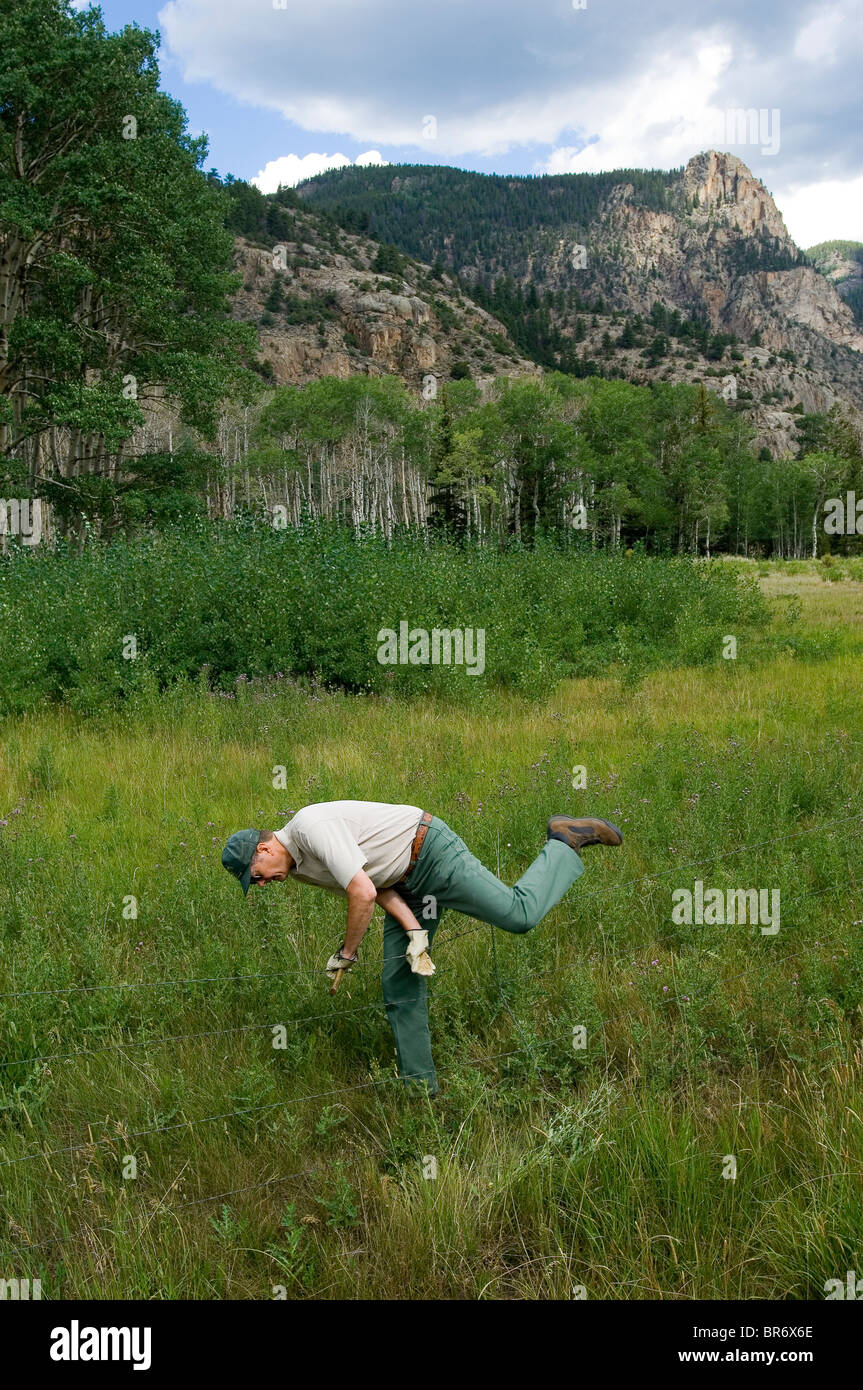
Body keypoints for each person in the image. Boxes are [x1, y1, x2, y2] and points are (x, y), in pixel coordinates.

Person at [222, 802, 622, 1095]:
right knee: (399, 980)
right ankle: (421, 1089)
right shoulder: (298, 867)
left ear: (264, 850)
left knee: (518, 914)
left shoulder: (311, 828)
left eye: (255, 877)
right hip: (406, 883)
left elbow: (359, 892)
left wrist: (347, 952)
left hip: (429, 851)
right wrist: (414, 930)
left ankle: (565, 840)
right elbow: (374, 883)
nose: (260, 885)